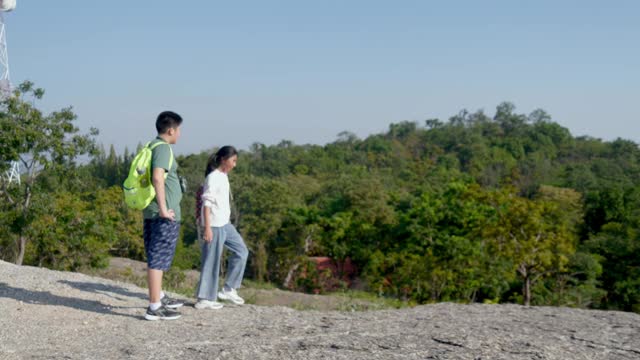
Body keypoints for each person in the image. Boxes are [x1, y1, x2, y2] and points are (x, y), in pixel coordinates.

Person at [142, 111, 185, 321]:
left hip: (152, 211)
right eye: (179, 130)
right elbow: (158, 178)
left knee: (154, 255)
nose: (180, 134)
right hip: (162, 214)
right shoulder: (163, 148)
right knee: (158, 259)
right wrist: (163, 208)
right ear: (171, 130)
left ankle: (158, 296)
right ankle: (154, 306)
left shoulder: (151, 146)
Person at [195, 146, 249, 310]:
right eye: (233, 161)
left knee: (242, 251)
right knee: (211, 261)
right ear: (224, 159)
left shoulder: (223, 176)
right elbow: (206, 204)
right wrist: (208, 228)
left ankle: (228, 289)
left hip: (225, 224)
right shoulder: (213, 178)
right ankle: (204, 298)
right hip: (214, 225)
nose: (235, 165)